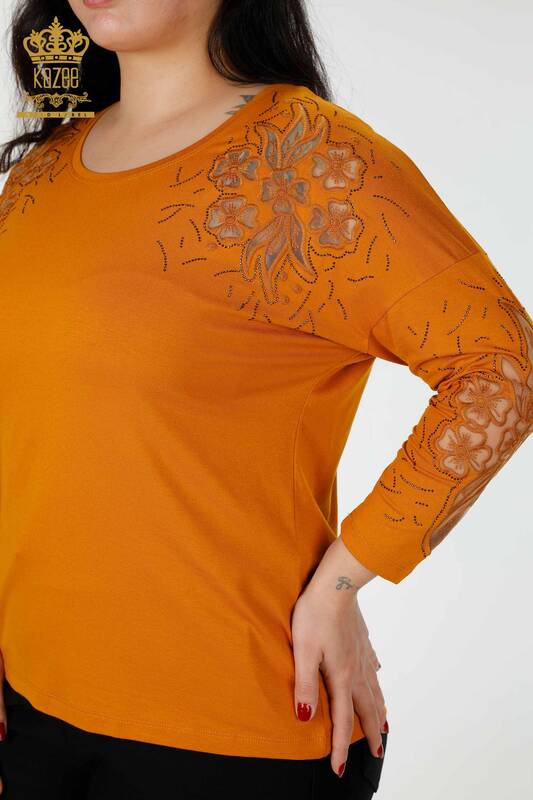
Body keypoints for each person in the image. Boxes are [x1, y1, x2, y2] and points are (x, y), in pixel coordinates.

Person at [0, 0, 530, 797]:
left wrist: (342, 581)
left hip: (234, 726)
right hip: (32, 708)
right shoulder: (43, 168)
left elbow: (501, 367)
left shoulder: (314, 164)